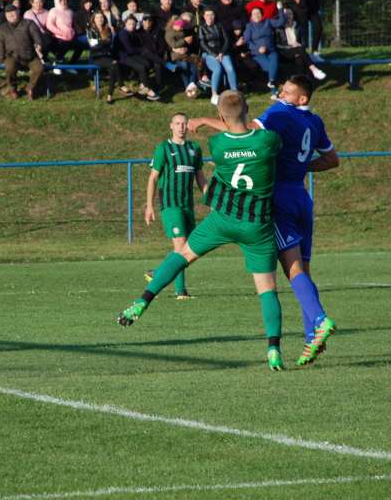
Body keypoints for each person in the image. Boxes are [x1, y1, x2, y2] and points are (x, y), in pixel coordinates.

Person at [118, 92, 287, 370]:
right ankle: (273, 349)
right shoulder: (268, 141)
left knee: (182, 254)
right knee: (267, 289)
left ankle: (142, 300)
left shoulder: (217, 144)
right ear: (248, 110)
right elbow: (259, 132)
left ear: (221, 117)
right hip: (256, 223)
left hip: (223, 218)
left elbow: (230, 129)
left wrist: (210, 122)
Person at [189, 76, 340, 366]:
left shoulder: (279, 113)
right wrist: (300, 165)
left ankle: (319, 321)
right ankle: (312, 340)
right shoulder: (315, 121)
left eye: (286, 91)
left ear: (302, 99)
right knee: (303, 270)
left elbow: (241, 132)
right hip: (302, 198)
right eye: (281, 89)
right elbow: (332, 160)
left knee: (293, 270)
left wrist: (206, 120)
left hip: (279, 198)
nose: (280, 93)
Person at [145, 113, 207, 299]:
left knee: (191, 248)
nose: (181, 127)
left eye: (184, 124)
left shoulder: (194, 148)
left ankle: (157, 273)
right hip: (170, 205)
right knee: (181, 247)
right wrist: (149, 206)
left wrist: (211, 199)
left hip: (187, 205)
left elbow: (200, 177)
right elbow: (153, 177)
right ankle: (181, 292)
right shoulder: (163, 148)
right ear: (171, 126)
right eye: (177, 123)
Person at [0, 4, 44, 99]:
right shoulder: (3, 28)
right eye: (8, 14)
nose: (11, 15)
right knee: (10, 68)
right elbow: (0, 44)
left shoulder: (29, 23)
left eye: (13, 12)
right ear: (5, 16)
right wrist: (1, 58)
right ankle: (12, 88)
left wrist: (39, 44)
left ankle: (30, 88)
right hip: (12, 57)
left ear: (18, 12)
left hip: (30, 56)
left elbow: (37, 36)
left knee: (39, 68)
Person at [87, 11, 130, 104]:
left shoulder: (108, 29)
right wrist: (103, 42)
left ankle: (109, 96)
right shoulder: (90, 30)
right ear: (93, 19)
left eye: (102, 17)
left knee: (113, 69)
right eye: (97, 17)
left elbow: (109, 43)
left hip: (107, 55)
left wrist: (100, 42)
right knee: (115, 64)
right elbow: (93, 46)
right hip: (96, 57)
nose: (100, 19)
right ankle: (121, 85)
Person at [276, 6, 326, 81]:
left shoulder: (298, 26)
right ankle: (314, 70)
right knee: (300, 51)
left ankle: (300, 82)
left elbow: (303, 41)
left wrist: (299, 45)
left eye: (290, 14)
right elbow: (277, 45)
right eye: (285, 14)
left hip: (298, 51)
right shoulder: (279, 28)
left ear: (293, 15)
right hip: (284, 52)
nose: (288, 16)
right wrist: (290, 46)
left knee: (300, 59)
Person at [244, 6, 286, 95]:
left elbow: (280, 22)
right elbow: (247, 41)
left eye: (258, 13)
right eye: (254, 13)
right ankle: (275, 87)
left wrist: (280, 9)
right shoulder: (249, 26)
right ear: (251, 16)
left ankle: (272, 88)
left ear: (262, 14)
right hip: (257, 53)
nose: (256, 15)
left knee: (274, 61)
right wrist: (257, 48)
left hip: (271, 50)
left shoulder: (268, 21)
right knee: (270, 67)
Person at [199, 8, 237, 105]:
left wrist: (222, 52)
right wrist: (214, 54)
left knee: (230, 68)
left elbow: (226, 40)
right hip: (210, 53)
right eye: (207, 15)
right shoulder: (202, 27)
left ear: (214, 16)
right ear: (204, 16)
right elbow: (203, 43)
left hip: (222, 52)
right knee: (218, 69)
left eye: (211, 15)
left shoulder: (219, 26)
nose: (209, 17)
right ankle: (214, 94)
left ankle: (235, 92)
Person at [118, 15, 159, 101]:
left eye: (133, 24)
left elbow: (137, 46)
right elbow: (129, 49)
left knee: (147, 63)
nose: (132, 26)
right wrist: (141, 49)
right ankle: (149, 90)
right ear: (125, 24)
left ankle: (143, 85)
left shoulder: (134, 32)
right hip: (123, 56)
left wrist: (140, 49)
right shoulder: (123, 33)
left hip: (133, 54)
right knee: (141, 67)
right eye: (129, 24)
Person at [164, 18, 199, 98]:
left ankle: (191, 86)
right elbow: (173, 45)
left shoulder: (183, 32)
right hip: (175, 56)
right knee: (184, 66)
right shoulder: (169, 33)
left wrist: (186, 47)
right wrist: (184, 41)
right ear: (175, 25)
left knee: (195, 65)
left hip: (186, 53)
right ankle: (188, 87)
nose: (182, 28)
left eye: (183, 26)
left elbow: (187, 44)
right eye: (181, 26)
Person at [45, 0, 81, 67]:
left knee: (80, 46)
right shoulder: (53, 11)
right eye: (61, 0)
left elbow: (73, 24)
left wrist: (73, 32)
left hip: (70, 37)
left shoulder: (70, 11)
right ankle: (57, 64)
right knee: (62, 47)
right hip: (58, 37)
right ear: (57, 0)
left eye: (65, 0)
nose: (64, 2)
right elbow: (49, 25)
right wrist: (60, 33)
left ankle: (71, 64)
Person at [138, 15, 166, 96]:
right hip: (145, 56)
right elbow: (139, 47)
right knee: (145, 64)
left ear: (152, 22)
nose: (147, 23)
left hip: (156, 55)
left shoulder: (158, 31)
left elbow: (162, 45)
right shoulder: (138, 32)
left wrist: (158, 54)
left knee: (158, 65)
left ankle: (157, 87)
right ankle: (145, 84)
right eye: (145, 21)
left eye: (149, 21)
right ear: (142, 22)